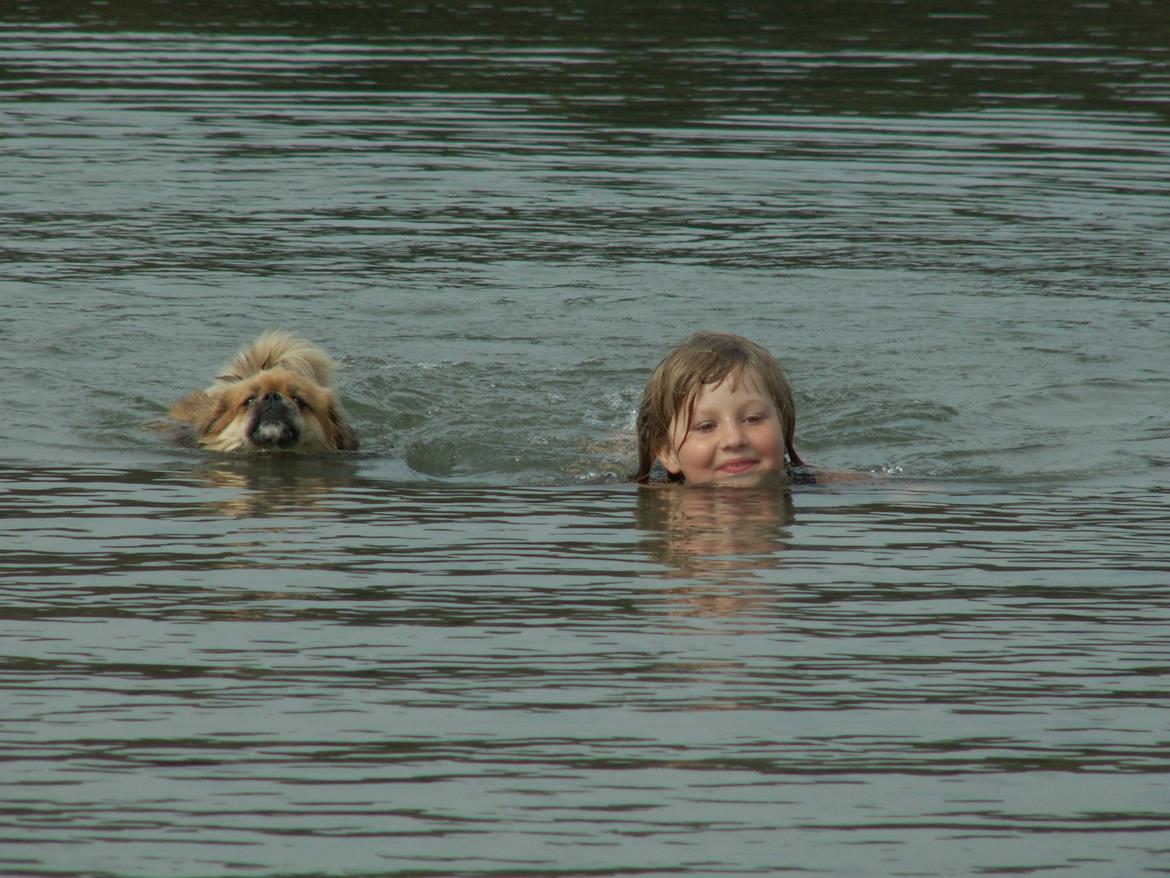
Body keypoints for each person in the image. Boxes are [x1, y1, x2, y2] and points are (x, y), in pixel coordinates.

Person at [633, 331, 817, 486]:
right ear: (668, 453)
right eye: (706, 426)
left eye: (753, 419)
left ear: (782, 425)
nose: (734, 439)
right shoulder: (655, 496)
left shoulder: (813, 483)